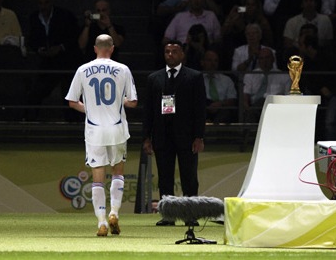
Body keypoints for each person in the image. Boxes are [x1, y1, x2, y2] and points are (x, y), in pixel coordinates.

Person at [65, 34, 138, 237]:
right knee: (118, 173)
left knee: (98, 178)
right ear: (112, 49)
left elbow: (72, 101)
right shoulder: (123, 69)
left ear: (95, 48)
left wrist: (91, 110)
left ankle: (101, 223)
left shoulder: (83, 70)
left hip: (94, 130)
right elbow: (132, 102)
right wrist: (119, 101)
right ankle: (114, 213)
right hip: (117, 129)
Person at [142, 40, 206, 226]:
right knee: (165, 178)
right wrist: (147, 137)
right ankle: (168, 215)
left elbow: (200, 109)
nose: (170, 54)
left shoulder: (194, 77)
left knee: (189, 178)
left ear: (182, 55)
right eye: (167, 51)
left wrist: (199, 136)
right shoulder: (154, 78)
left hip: (187, 136)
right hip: (162, 136)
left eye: (174, 51)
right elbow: (148, 111)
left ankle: (190, 215)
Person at [26, 0, 82, 121]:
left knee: (69, 95)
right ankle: (31, 122)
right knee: (37, 92)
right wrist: (39, 49)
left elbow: (74, 36)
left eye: (46, 3)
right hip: (47, 62)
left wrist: (60, 48)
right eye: (40, 3)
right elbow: (32, 38)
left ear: (51, 2)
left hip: (66, 61)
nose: (43, 6)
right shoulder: (34, 18)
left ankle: (72, 124)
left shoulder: (65, 16)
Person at [242, 47, 291, 123]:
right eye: (261, 58)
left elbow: (288, 97)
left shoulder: (284, 76)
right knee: (256, 106)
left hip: (275, 106)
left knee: (264, 100)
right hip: (255, 106)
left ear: (273, 59)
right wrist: (246, 107)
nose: (264, 61)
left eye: (267, 58)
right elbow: (245, 96)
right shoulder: (250, 75)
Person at [201, 49, 237, 124]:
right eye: (209, 60)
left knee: (226, 112)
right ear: (202, 62)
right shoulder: (196, 79)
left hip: (221, 108)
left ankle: (212, 130)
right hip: (203, 108)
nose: (212, 63)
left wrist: (220, 104)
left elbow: (232, 99)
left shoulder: (226, 80)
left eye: (215, 61)